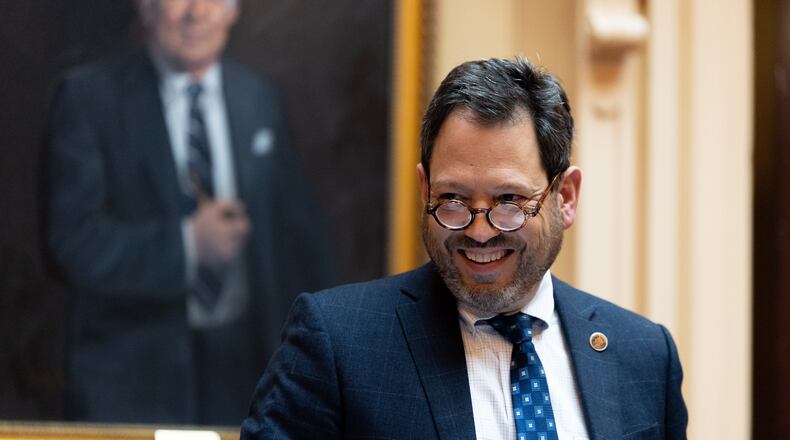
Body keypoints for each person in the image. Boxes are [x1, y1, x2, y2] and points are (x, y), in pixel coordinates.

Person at [241, 57, 687, 439]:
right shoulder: (339, 344)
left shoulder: (644, 356)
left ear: (565, 197)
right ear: (425, 189)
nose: (479, 232)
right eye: (452, 200)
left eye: (509, 201)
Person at [46, 0, 332, 425]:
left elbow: (298, 241)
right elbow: (71, 243)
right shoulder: (89, 97)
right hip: (132, 380)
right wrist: (188, 245)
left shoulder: (260, 98)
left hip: (247, 375)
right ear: (146, 8)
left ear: (233, 10)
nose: (197, 12)